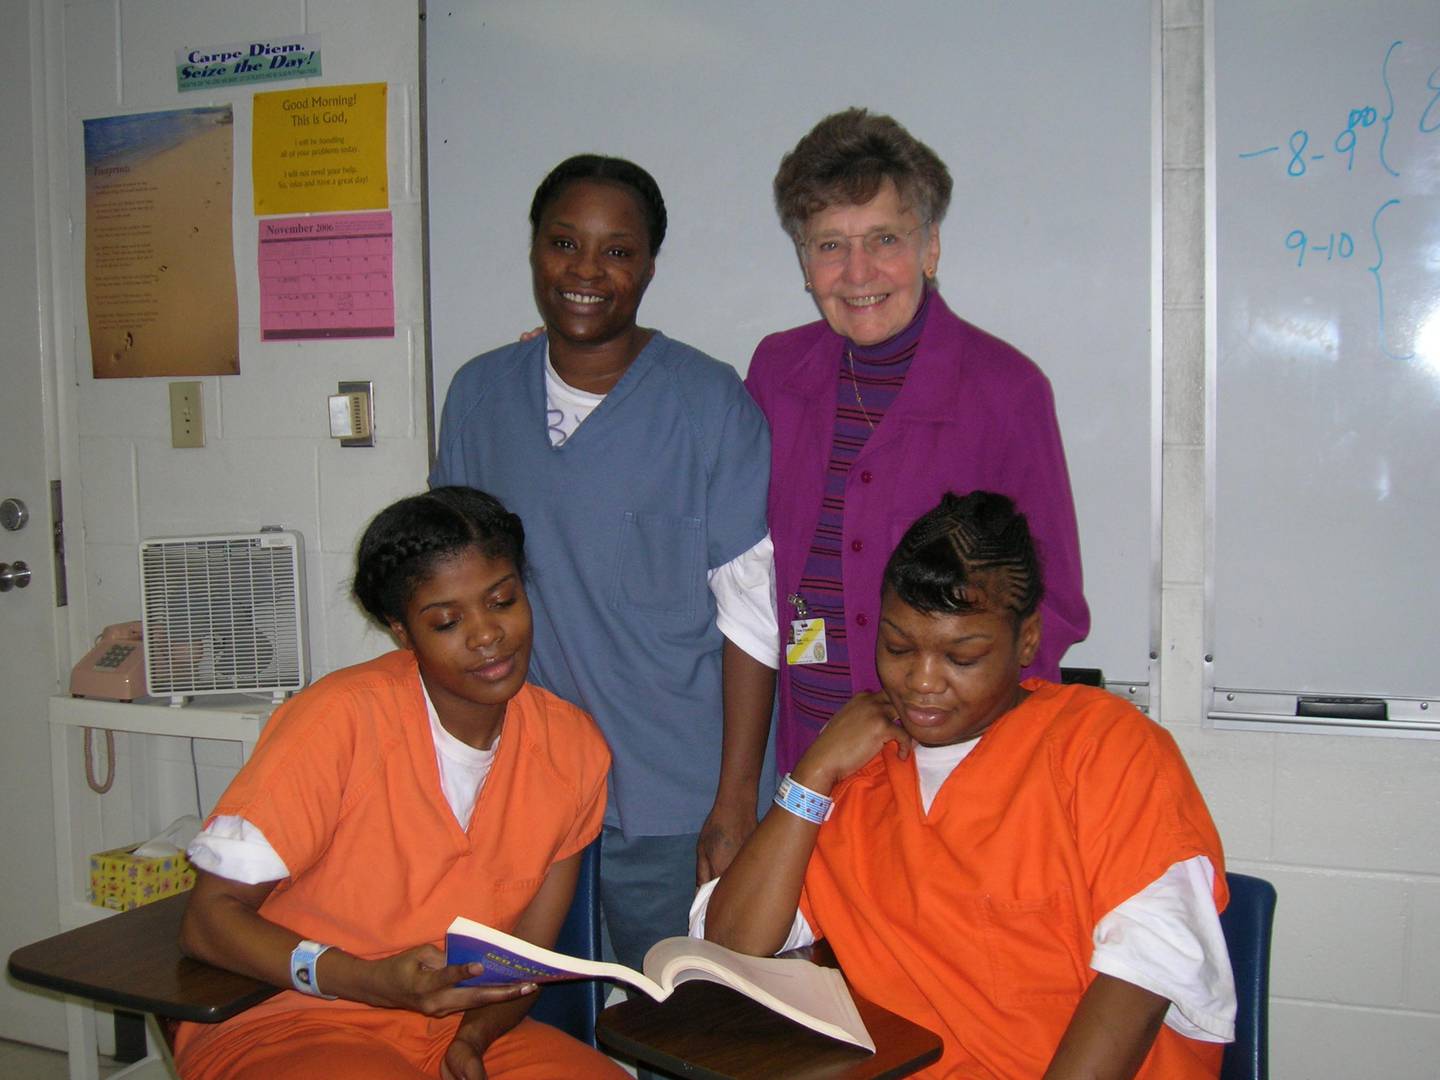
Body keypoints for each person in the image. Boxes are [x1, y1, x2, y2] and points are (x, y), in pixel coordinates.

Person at [695, 491, 1235, 1079]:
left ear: (1026, 642)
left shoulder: (1104, 748)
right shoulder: (860, 777)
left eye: (963, 655)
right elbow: (733, 941)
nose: (922, 681)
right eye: (898, 647)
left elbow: (1150, 965)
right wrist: (814, 772)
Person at [430, 156, 776, 980]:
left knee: (685, 1030)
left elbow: (752, 614)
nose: (586, 271)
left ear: (650, 264)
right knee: (542, 1031)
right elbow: (449, 595)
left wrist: (732, 802)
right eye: (563, 243)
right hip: (531, 792)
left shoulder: (708, 402)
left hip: (675, 800)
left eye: (617, 251)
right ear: (534, 252)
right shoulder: (479, 396)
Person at [173, 487, 626, 1080]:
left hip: (457, 1030)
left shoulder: (573, 750)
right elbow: (209, 919)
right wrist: (367, 980)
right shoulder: (338, 721)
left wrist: (471, 1041)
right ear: (401, 632)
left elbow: (522, 962)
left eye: (503, 600)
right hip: (292, 1018)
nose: (487, 634)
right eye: (446, 621)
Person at [744, 108, 1091, 774]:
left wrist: (967, 760)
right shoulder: (776, 373)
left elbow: (1053, 609)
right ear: (803, 259)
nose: (857, 271)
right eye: (829, 244)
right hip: (799, 765)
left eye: (884, 239)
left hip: (944, 770)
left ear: (930, 246)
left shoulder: (1006, 392)